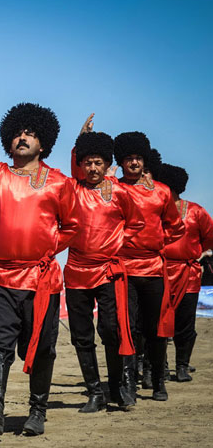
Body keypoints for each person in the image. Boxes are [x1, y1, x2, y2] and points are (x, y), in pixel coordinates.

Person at [0, 66, 79, 436]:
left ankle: (37, 411)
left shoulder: (60, 183)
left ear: (44, 142)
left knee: (42, 349)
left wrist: (48, 247)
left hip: (41, 280)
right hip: (1, 277)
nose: (23, 137)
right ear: (9, 140)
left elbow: (72, 226)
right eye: (18, 133)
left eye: (31, 133)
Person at [65, 120, 145, 412]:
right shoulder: (72, 190)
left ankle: (119, 388)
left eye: (98, 163)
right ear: (81, 164)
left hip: (109, 271)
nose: (93, 169)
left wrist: (118, 246)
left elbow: (136, 225)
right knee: (81, 335)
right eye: (87, 163)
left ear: (107, 164)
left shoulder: (121, 193)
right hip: (75, 272)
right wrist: (81, 139)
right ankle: (94, 392)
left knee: (111, 330)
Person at [113, 133, 185, 401]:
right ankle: (129, 383)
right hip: (124, 269)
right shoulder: (114, 190)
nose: (134, 162)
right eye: (129, 158)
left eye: (138, 158)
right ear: (121, 162)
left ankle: (158, 381)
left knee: (157, 329)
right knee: (128, 329)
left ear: (145, 161)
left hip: (154, 268)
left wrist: (157, 243)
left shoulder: (162, 192)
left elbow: (176, 228)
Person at [158, 164, 213, 382]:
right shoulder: (155, 211)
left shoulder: (196, 212)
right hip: (159, 271)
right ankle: (160, 366)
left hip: (188, 274)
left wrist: (199, 254)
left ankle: (182, 365)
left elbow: (209, 237)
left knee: (185, 321)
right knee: (158, 322)